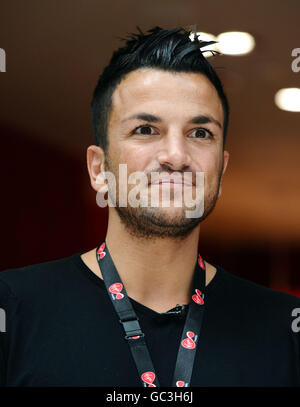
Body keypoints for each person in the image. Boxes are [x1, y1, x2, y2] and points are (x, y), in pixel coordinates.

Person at [0, 26, 299, 387]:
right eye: (145, 129)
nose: (176, 156)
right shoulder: (13, 309)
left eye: (200, 133)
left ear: (220, 168)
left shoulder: (286, 330)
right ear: (99, 169)